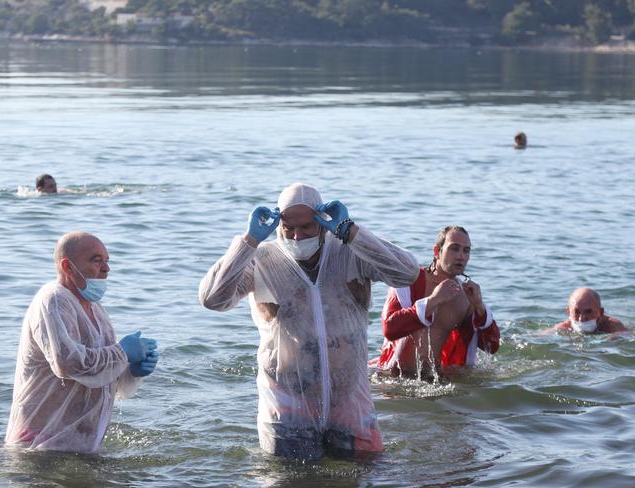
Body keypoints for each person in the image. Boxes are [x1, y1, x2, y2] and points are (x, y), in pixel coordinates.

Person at [199, 182, 419, 460]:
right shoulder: (261, 260)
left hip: (349, 403)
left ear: (322, 223)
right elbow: (212, 299)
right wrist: (248, 242)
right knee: (288, 485)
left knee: (360, 481)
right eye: (288, 228)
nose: (297, 235)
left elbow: (407, 273)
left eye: (306, 227)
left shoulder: (350, 251)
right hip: (287, 406)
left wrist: (352, 232)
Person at [5, 232, 159, 453]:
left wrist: (130, 371)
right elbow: (67, 363)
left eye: (107, 260)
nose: (106, 268)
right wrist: (122, 353)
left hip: (81, 444)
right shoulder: (54, 301)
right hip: (39, 445)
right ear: (67, 266)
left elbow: (95, 376)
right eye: (96, 260)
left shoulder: (96, 309)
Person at [374, 225, 500, 377]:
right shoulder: (410, 281)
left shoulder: (465, 297)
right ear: (437, 251)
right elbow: (389, 328)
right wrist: (433, 300)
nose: (461, 256)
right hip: (394, 377)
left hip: (434, 379)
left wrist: (479, 307)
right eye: (454, 248)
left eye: (466, 250)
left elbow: (492, 346)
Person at [548, 287, 627, 334]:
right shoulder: (563, 328)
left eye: (588, 312)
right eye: (577, 312)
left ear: (601, 313)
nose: (581, 319)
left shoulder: (613, 327)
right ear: (568, 312)